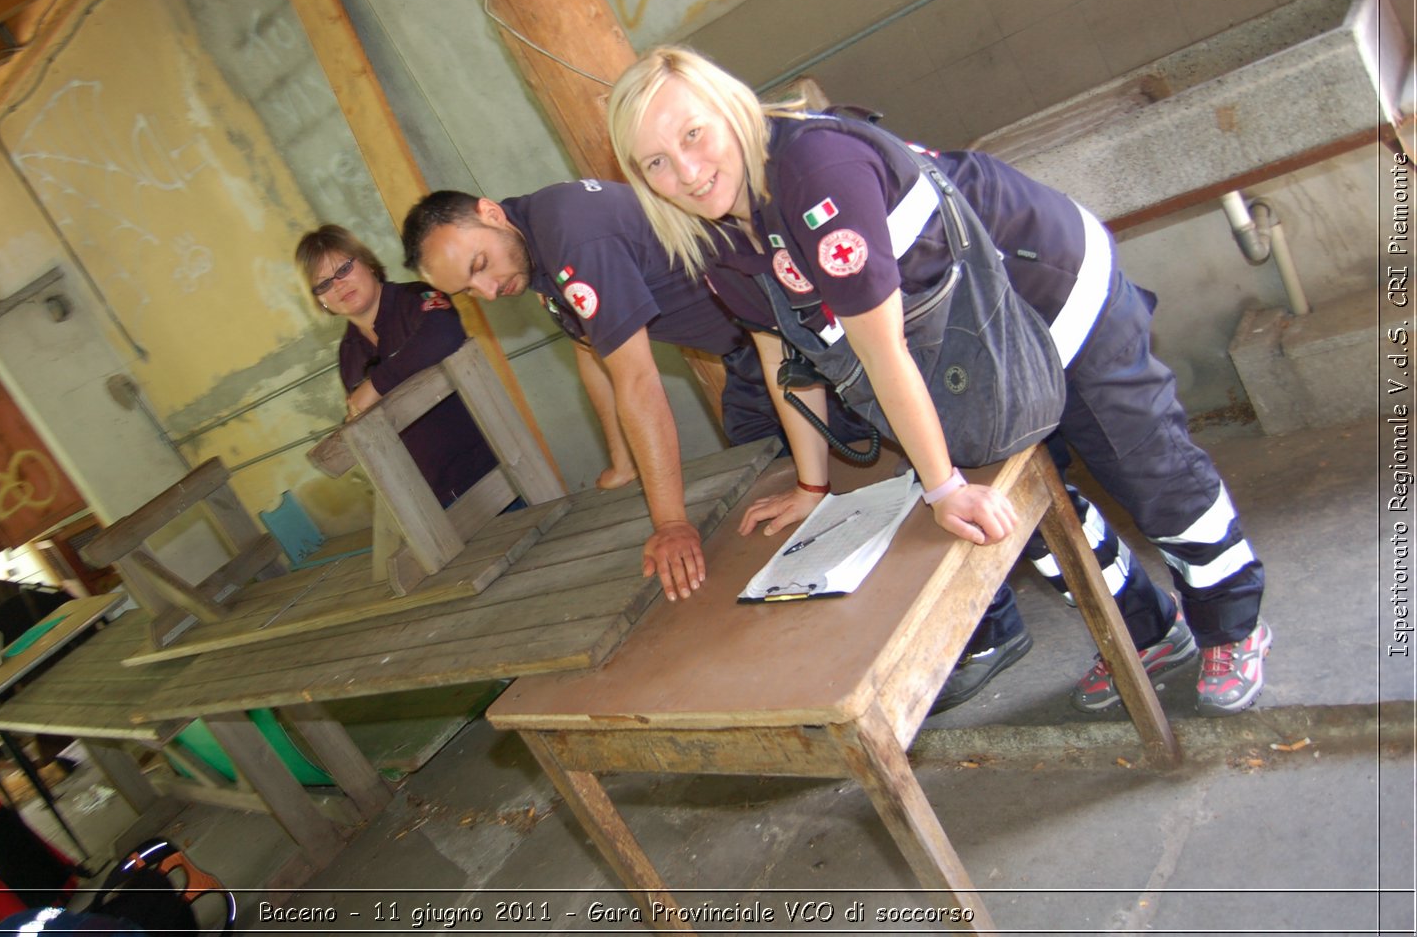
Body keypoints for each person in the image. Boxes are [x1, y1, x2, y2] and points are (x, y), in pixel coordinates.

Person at [606, 45, 1270, 717]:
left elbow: (880, 346)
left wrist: (943, 485)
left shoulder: (812, 171)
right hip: (960, 352)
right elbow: (786, 350)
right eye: (656, 162)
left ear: (730, 109)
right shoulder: (715, 237)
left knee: (1144, 467)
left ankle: (1233, 623)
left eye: (693, 134)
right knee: (1015, 512)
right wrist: (813, 485)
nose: (686, 172)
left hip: (1047, 293)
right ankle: (1149, 632)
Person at [402, 183, 870, 599]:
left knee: (861, 458)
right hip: (746, 351)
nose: (487, 291)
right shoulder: (532, 246)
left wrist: (670, 524)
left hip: (799, 327)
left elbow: (637, 381)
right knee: (759, 459)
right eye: (468, 290)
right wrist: (622, 463)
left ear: (490, 212)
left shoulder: (571, 234)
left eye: (480, 265)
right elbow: (590, 354)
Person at [296, 225, 496, 508]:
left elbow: (444, 335)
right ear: (321, 301)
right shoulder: (348, 355)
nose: (338, 285)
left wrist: (376, 385)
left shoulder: (415, 299)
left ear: (366, 262)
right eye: (324, 284)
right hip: (433, 501)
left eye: (343, 269)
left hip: (492, 469)